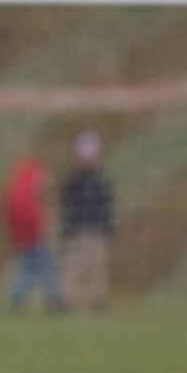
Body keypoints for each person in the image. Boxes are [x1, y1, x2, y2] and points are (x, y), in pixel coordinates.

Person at [60, 131, 115, 311]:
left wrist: (107, 228)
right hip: (76, 231)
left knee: (97, 269)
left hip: (96, 231)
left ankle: (99, 301)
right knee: (72, 268)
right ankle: (67, 302)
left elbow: (106, 207)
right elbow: (67, 207)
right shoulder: (73, 180)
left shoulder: (101, 181)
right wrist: (67, 229)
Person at [4, 157, 63, 312]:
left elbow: (11, 215)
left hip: (25, 237)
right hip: (34, 237)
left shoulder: (18, 190)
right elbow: (30, 217)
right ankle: (52, 299)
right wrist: (40, 229)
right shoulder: (27, 195)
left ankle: (18, 296)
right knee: (46, 267)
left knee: (28, 268)